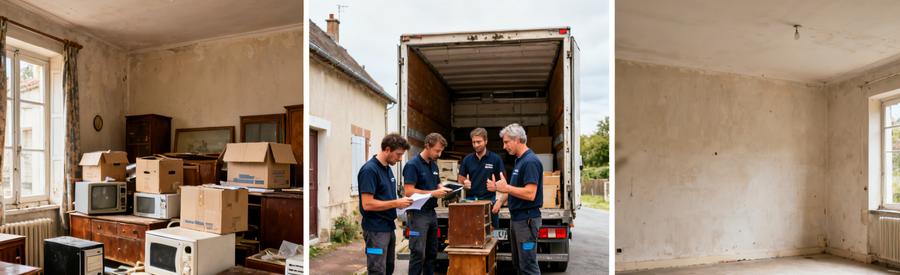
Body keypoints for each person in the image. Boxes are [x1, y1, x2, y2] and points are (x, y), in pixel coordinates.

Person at [488, 123, 543, 275]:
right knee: (519, 264)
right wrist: (499, 200)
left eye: (506, 142)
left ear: (518, 139)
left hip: (527, 221)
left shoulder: (530, 162)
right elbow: (512, 187)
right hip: (518, 220)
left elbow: (530, 193)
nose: (504, 146)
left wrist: (506, 188)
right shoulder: (519, 160)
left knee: (528, 265)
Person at [358, 133, 415, 275]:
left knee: (389, 268)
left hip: (388, 228)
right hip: (375, 230)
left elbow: (386, 198)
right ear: (387, 149)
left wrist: (401, 203)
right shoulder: (369, 170)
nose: (400, 158)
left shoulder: (387, 169)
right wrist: (396, 202)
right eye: (398, 154)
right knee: (377, 270)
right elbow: (367, 204)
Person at [403, 133, 452, 275]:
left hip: (431, 213)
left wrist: (443, 189)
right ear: (427, 146)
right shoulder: (412, 165)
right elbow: (408, 191)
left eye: (441, 150)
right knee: (418, 253)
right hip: (417, 214)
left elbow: (437, 185)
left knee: (432, 252)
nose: (439, 154)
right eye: (437, 150)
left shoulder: (434, 165)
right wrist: (432, 193)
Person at [458, 128, 505, 228]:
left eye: (478, 142)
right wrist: (464, 181)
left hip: (490, 202)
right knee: (472, 232)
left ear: (486, 141)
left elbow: (504, 183)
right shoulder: (467, 159)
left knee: (494, 233)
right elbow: (460, 177)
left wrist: (496, 187)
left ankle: (497, 244)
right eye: (473, 142)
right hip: (471, 202)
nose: (475, 145)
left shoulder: (495, 159)